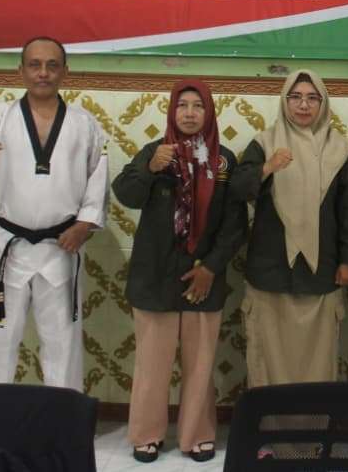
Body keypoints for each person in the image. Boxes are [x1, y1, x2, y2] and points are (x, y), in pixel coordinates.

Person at [0, 37, 108, 390]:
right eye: (35, 65)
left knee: (62, 340)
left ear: (65, 71)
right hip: (8, 244)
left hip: (61, 245)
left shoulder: (84, 123)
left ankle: (63, 414)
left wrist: (84, 225)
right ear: (20, 70)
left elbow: (98, 177)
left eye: (52, 65)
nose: (43, 73)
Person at [229, 70, 348, 459]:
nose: (303, 105)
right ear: (284, 101)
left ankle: (313, 442)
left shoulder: (339, 150)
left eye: (312, 98)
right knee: (268, 366)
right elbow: (237, 189)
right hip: (270, 273)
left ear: (323, 103)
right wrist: (267, 168)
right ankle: (267, 442)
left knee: (316, 366)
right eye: (296, 97)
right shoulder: (264, 143)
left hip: (321, 274)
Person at [113, 80, 244, 464]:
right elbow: (126, 194)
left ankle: (197, 434)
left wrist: (211, 268)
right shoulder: (156, 152)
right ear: (172, 112)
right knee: (151, 365)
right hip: (155, 276)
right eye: (182, 105)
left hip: (203, 277)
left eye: (197, 106)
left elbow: (235, 223)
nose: (189, 113)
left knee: (200, 364)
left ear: (209, 112)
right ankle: (146, 434)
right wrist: (150, 169)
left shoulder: (224, 161)